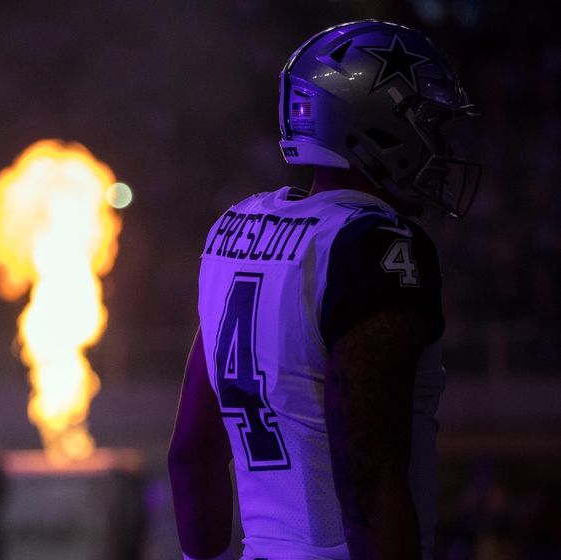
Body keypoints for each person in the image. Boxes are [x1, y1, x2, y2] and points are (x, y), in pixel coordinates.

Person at [168, 19, 481, 560]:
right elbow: (367, 469)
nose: (442, 143)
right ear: (378, 128)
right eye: (430, 123)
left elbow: (191, 454)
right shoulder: (374, 243)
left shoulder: (233, 230)